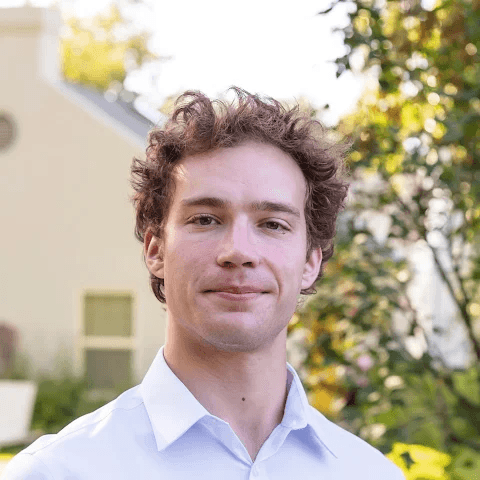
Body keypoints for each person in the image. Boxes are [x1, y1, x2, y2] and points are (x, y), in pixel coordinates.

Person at [3, 87, 405, 479]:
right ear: (156, 250)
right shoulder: (57, 472)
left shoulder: (371, 474)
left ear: (310, 262)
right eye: (206, 219)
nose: (239, 251)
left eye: (273, 224)